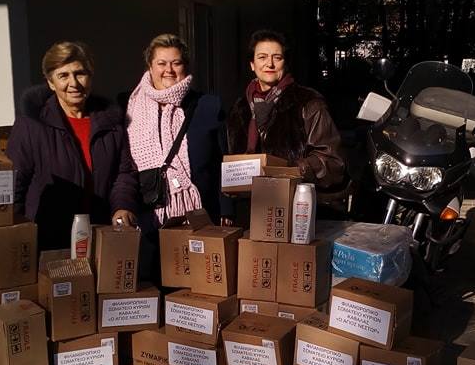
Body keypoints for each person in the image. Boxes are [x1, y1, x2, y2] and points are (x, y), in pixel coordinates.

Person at [7, 41, 138, 250]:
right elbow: (15, 184)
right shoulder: (31, 125)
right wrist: (16, 240)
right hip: (49, 240)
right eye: (63, 75)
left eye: (80, 73)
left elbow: (123, 173)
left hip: (100, 236)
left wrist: (122, 206)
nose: (74, 83)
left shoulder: (111, 123)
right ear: (51, 83)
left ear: (90, 76)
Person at [126, 33, 229, 228]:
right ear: (150, 67)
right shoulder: (131, 109)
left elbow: (223, 161)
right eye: (161, 63)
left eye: (176, 63)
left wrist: (226, 209)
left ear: (186, 66)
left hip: (201, 216)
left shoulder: (208, 106)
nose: (169, 70)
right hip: (147, 219)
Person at [226, 29, 345, 190]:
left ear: (285, 63)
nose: (270, 64)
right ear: (252, 64)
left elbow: (332, 161)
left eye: (277, 57)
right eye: (262, 57)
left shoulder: (308, 103)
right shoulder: (239, 109)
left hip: (295, 198)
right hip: (249, 200)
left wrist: (289, 170)